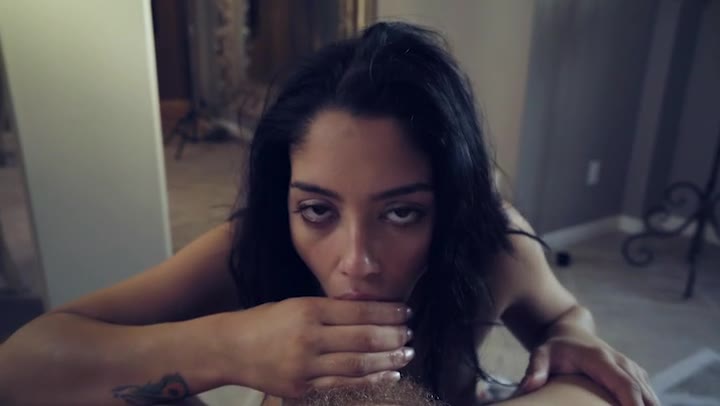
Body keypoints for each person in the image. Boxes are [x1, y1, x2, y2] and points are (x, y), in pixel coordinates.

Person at [0, 22, 658, 406]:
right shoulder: (255, 244)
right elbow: (21, 366)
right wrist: (228, 346)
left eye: (402, 213)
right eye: (317, 209)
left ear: (452, 206)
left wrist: (575, 335)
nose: (357, 262)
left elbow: (563, 314)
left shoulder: (493, 247)